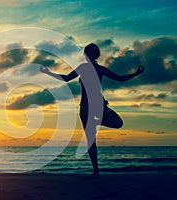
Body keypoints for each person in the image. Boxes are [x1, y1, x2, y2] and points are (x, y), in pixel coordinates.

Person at [40, 43, 144, 176]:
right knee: (91, 140)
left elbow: (120, 79)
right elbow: (66, 78)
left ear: (94, 55)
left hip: (97, 106)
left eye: (90, 52)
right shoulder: (84, 68)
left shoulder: (98, 69)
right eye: (87, 52)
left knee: (117, 123)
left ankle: (96, 124)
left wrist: (136, 73)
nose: (88, 55)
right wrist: (48, 72)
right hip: (88, 107)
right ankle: (96, 170)